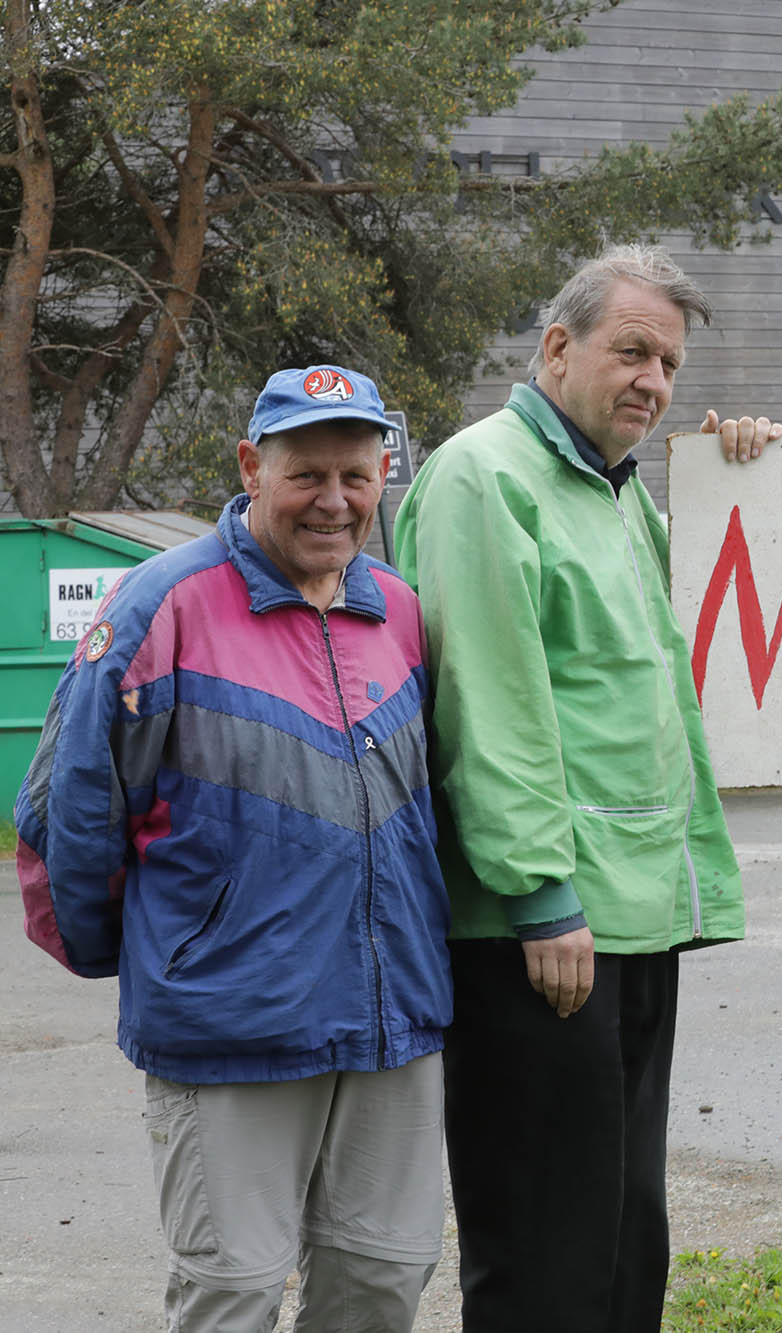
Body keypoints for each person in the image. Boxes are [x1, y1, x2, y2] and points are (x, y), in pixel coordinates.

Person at [393, 242, 782, 1332]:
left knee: (618, 1240)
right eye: (631, 350)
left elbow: (747, 601)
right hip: (541, 930)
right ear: (557, 348)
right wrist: (540, 894)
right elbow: (488, 705)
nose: (652, 380)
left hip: (634, 921)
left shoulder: (615, 496)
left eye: (672, 364)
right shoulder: (484, 477)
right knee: (543, 1250)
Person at [15, 366, 452, 1330]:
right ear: (252, 465)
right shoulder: (159, 605)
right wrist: (156, 959)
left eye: (356, 473)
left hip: (392, 1021)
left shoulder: (405, 611)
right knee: (233, 1294)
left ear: (384, 474)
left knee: (383, 1280)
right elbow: (69, 810)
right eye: (306, 474)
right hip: (229, 1027)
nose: (333, 501)